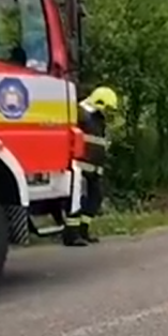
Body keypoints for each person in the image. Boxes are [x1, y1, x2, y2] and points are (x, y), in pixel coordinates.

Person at [63, 86, 119, 247]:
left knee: (95, 198)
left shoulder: (98, 118)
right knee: (77, 201)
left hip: (94, 167)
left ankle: (83, 231)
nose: (109, 112)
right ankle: (71, 235)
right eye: (107, 108)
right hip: (79, 165)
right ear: (99, 102)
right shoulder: (80, 113)